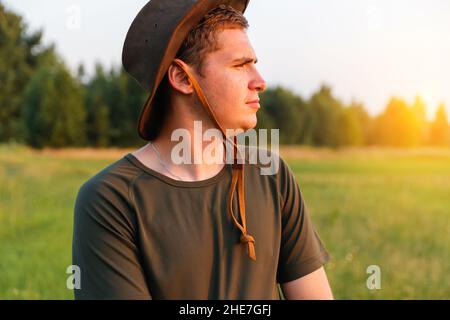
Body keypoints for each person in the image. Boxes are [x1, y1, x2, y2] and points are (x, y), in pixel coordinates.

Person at [72, 0, 333, 300]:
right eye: (240, 65)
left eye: (254, 65)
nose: (259, 82)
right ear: (182, 78)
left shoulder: (271, 176)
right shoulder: (111, 200)